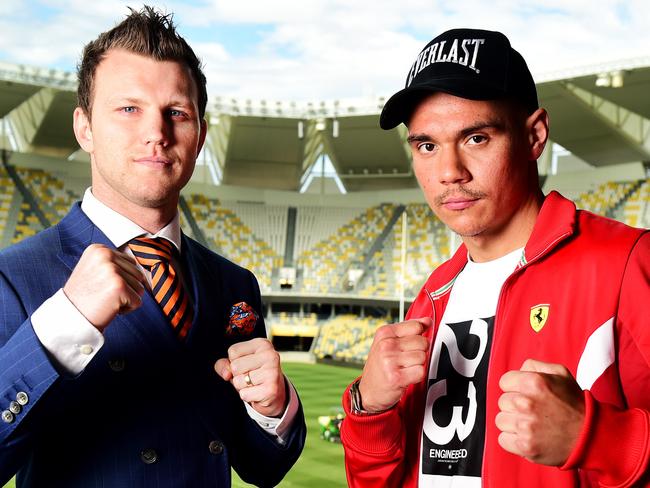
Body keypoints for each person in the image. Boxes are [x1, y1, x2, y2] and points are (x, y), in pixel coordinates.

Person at [0, 6, 305, 487]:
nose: (156, 133)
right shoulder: (13, 276)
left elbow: (262, 468)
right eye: (128, 108)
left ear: (200, 136)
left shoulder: (232, 283)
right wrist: (65, 323)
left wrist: (273, 408)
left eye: (176, 113)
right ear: (85, 128)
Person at [340, 28, 650, 487]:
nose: (449, 172)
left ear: (534, 136)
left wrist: (597, 437)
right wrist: (370, 408)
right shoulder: (433, 293)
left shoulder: (626, 263)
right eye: (427, 145)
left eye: (477, 138)